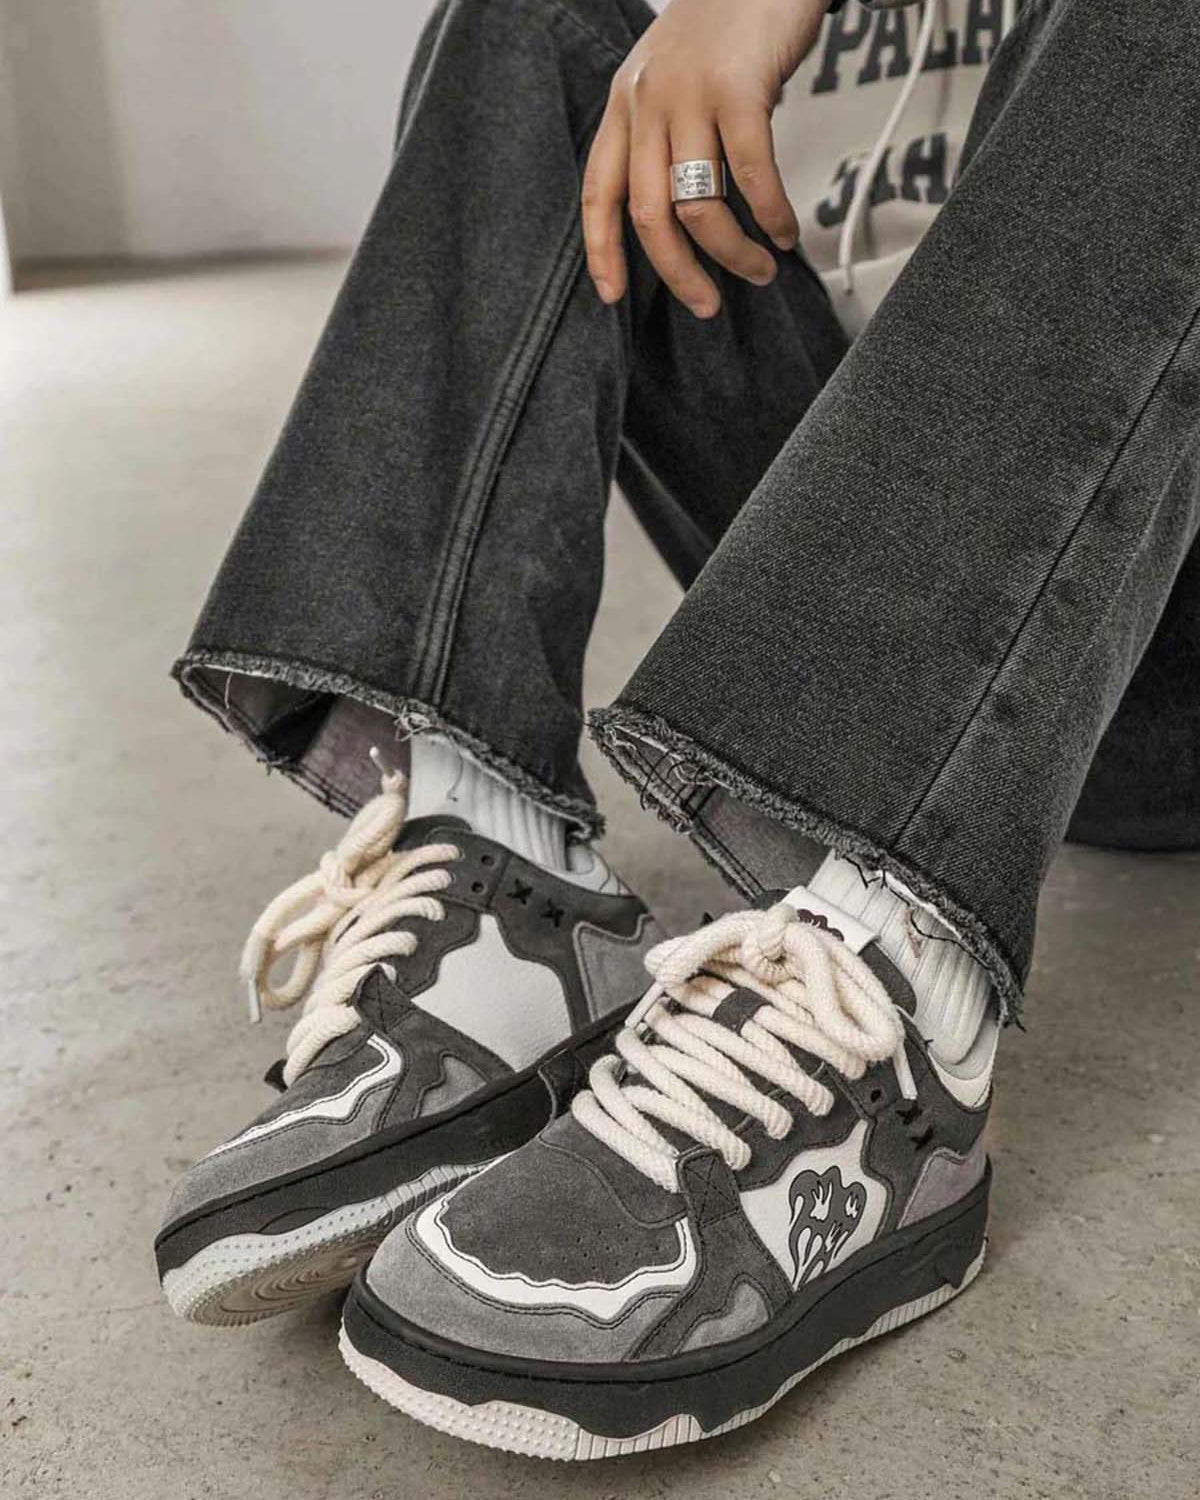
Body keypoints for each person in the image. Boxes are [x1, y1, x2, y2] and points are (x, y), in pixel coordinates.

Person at [153, 0, 1200, 1459]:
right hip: (863, 595)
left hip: (1159, 620)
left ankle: (903, 1018)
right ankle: (504, 884)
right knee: (539, 21)